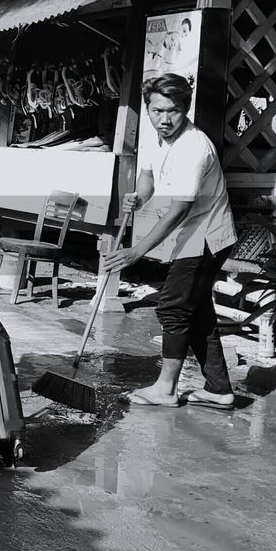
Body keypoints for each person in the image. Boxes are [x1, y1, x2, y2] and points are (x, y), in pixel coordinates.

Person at [102, 73, 238, 410]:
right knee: (197, 310)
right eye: (157, 110)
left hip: (208, 235)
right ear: (148, 108)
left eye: (173, 111)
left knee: (174, 307)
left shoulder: (193, 148)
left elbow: (179, 209)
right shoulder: (154, 138)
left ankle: (165, 389)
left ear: (185, 109)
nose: (164, 119)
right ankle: (219, 389)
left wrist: (136, 251)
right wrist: (139, 197)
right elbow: (147, 182)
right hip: (190, 232)